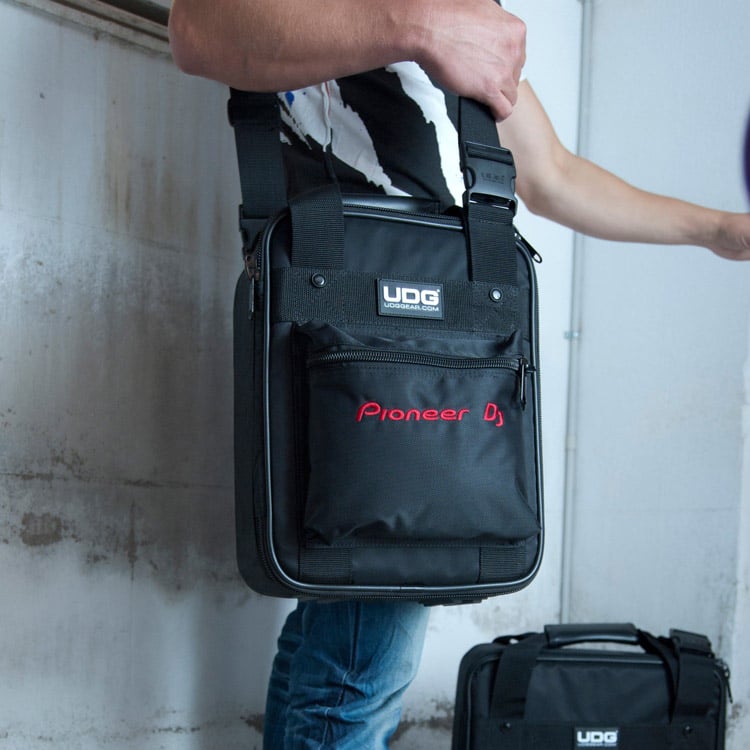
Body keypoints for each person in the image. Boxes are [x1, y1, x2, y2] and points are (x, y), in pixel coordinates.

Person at [167, 2, 750, 748]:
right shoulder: (417, 15)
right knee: (359, 670)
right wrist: (418, 28)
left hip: (429, 318)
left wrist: (719, 230)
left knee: (342, 647)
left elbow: (551, 175)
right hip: (352, 314)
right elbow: (200, 29)